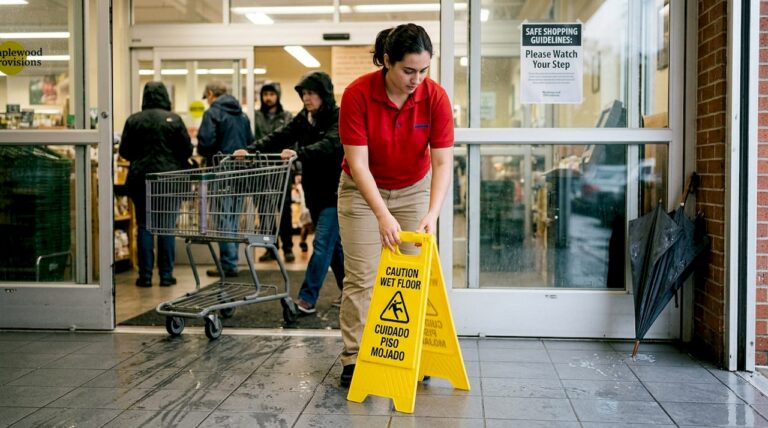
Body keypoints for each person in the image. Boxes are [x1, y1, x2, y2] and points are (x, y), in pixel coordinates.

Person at [336, 23, 454, 387]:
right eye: (408, 71)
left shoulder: (435, 97)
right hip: (360, 190)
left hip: (413, 189)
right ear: (387, 61)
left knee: (411, 275)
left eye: (423, 70)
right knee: (362, 275)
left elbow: (442, 162)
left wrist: (431, 215)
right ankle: (354, 358)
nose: (417, 79)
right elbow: (358, 165)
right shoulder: (357, 95)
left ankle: (407, 351)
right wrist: (383, 215)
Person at [234, 71, 344, 315]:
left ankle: (307, 299)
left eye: (311, 93)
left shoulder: (337, 117)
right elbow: (280, 135)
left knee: (323, 242)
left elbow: (332, 144)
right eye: (304, 94)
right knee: (333, 246)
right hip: (313, 191)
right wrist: (249, 151)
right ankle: (349, 289)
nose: (306, 98)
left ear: (324, 95)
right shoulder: (304, 118)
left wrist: (299, 154)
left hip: (335, 191)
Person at [119, 81, 193, 287]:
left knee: (145, 226)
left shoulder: (133, 120)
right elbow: (186, 150)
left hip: (141, 179)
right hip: (170, 181)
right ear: (166, 97)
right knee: (167, 227)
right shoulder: (175, 120)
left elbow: (124, 151)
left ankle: (145, 276)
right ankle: (166, 276)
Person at [196, 79, 254, 278]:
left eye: (207, 97)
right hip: (241, 173)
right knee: (233, 219)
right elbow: (251, 143)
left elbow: (205, 143)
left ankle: (228, 265)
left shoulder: (212, 113)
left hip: (220, 171)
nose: (207, 101)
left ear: (211, 93)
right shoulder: (243, 115)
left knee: (222, 219)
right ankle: (231, 261)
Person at [253, 82, 296, 263]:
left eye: (271, 94)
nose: (268, 97)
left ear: (277, 96)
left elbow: (294, 142)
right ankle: (270, 247)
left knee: (284, 209)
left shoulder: (286, 117)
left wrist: (297, 168)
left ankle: (287, 247)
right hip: (261, 170)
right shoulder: (255, 117)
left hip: (282, 169)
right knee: (264, 211)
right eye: (265, 94)